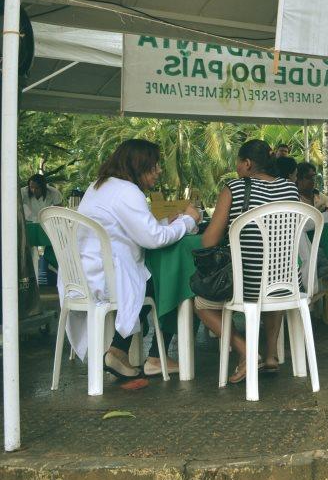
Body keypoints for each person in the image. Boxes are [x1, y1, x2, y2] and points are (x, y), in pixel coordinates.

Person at [61, 139, 200, 379]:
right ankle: (157, 356)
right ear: (139, 164)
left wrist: (170, 222)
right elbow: (153, 239)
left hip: (83, 276)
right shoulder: (128, 191)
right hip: (108, 279)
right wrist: (188, 221)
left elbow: (133, 230)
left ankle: (118, 351)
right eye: (154, 166)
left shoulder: (98, 186)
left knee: (150, 279)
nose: (158, 171)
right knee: (175, 280)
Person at [197, 139, 300, 383]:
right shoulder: (290, 189)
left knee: (200, 304)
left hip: (247, 284)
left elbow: (208, 242)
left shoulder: (234, 187)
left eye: (238, 164)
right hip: (286, 282)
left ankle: (247, 351)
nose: (236, 169)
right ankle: (272, 355)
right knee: (273, 275)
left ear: (247, 163)